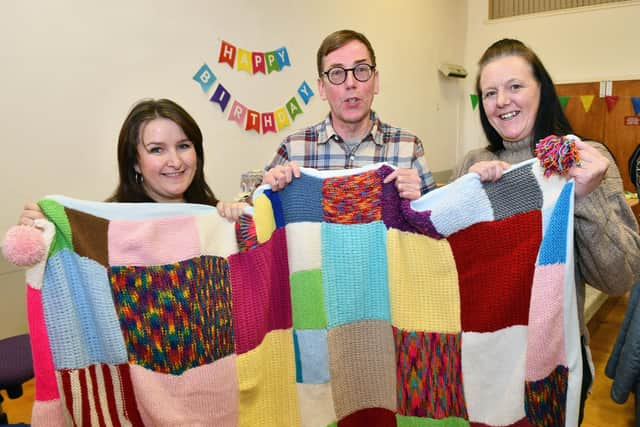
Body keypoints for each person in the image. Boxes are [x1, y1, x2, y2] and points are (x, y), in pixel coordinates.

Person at [454, 38, 640, 424]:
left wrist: (585, 196)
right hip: (485, 359)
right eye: (490, 92)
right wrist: (464, 201)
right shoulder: (475, 163)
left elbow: (620, 277)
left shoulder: (586, 159)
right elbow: (447, 272)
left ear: (543, 89)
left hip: (556, 359)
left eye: (515, 86)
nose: (501, 100)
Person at [262, 29, 436, 200]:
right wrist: (265, 192)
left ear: (375, 81)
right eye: (337, 73)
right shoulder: (293, 147)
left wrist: (418, 203)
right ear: (322, 88)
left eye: (361, 69)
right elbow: (250, 215)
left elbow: (435, 221)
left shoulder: (408, 147)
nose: (350, 83)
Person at [18, 98, 247, 226]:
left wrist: (243, 222)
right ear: (135, 162)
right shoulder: (109, 224)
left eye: (184, 146)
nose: (175, 161)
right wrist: (48, 227)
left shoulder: (214, 216)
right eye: (157, 149)